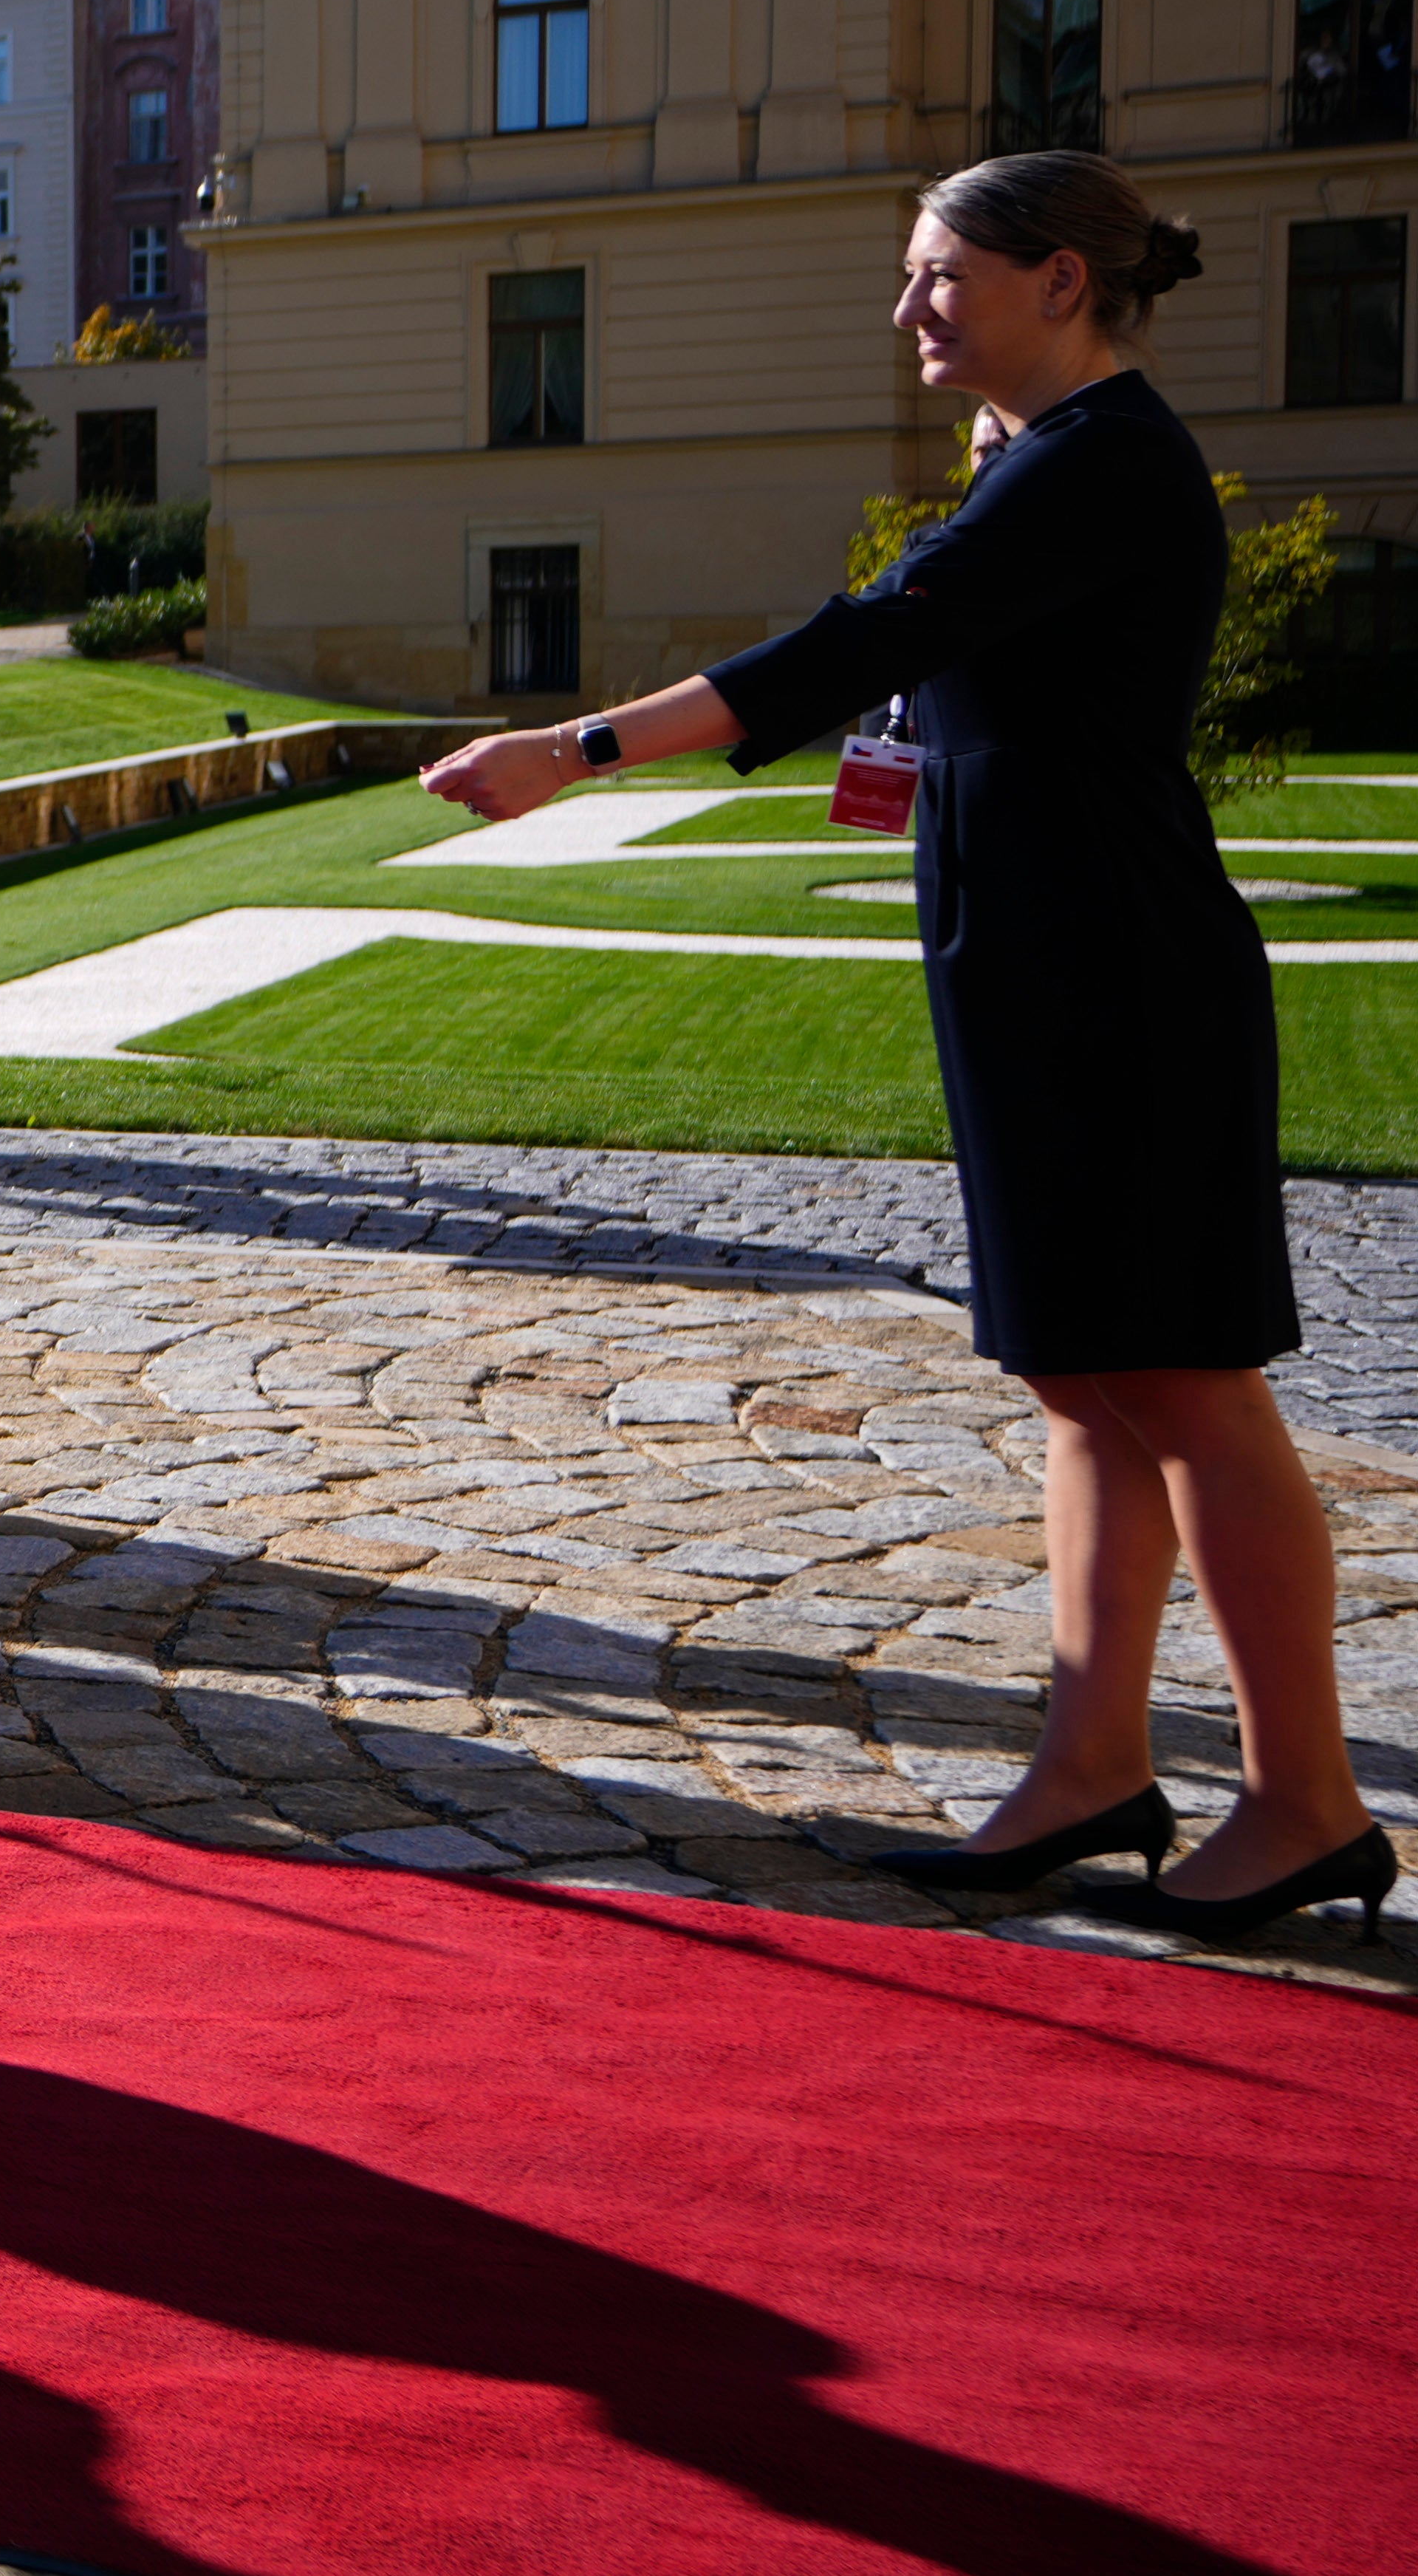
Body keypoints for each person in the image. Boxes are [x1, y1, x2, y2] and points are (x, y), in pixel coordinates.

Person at [430, 153, 1393, 1950]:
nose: (907, 310)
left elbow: (861, 644)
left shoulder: (1102, 461)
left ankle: (1305, 1802)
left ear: (1058, 280)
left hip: (1120, 973)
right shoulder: (1041, 459)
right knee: (1083, 1379)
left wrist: (571, 749)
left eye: (940, 275)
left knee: (1186, 1382)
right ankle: (1092, 1766)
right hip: (1037, 965)